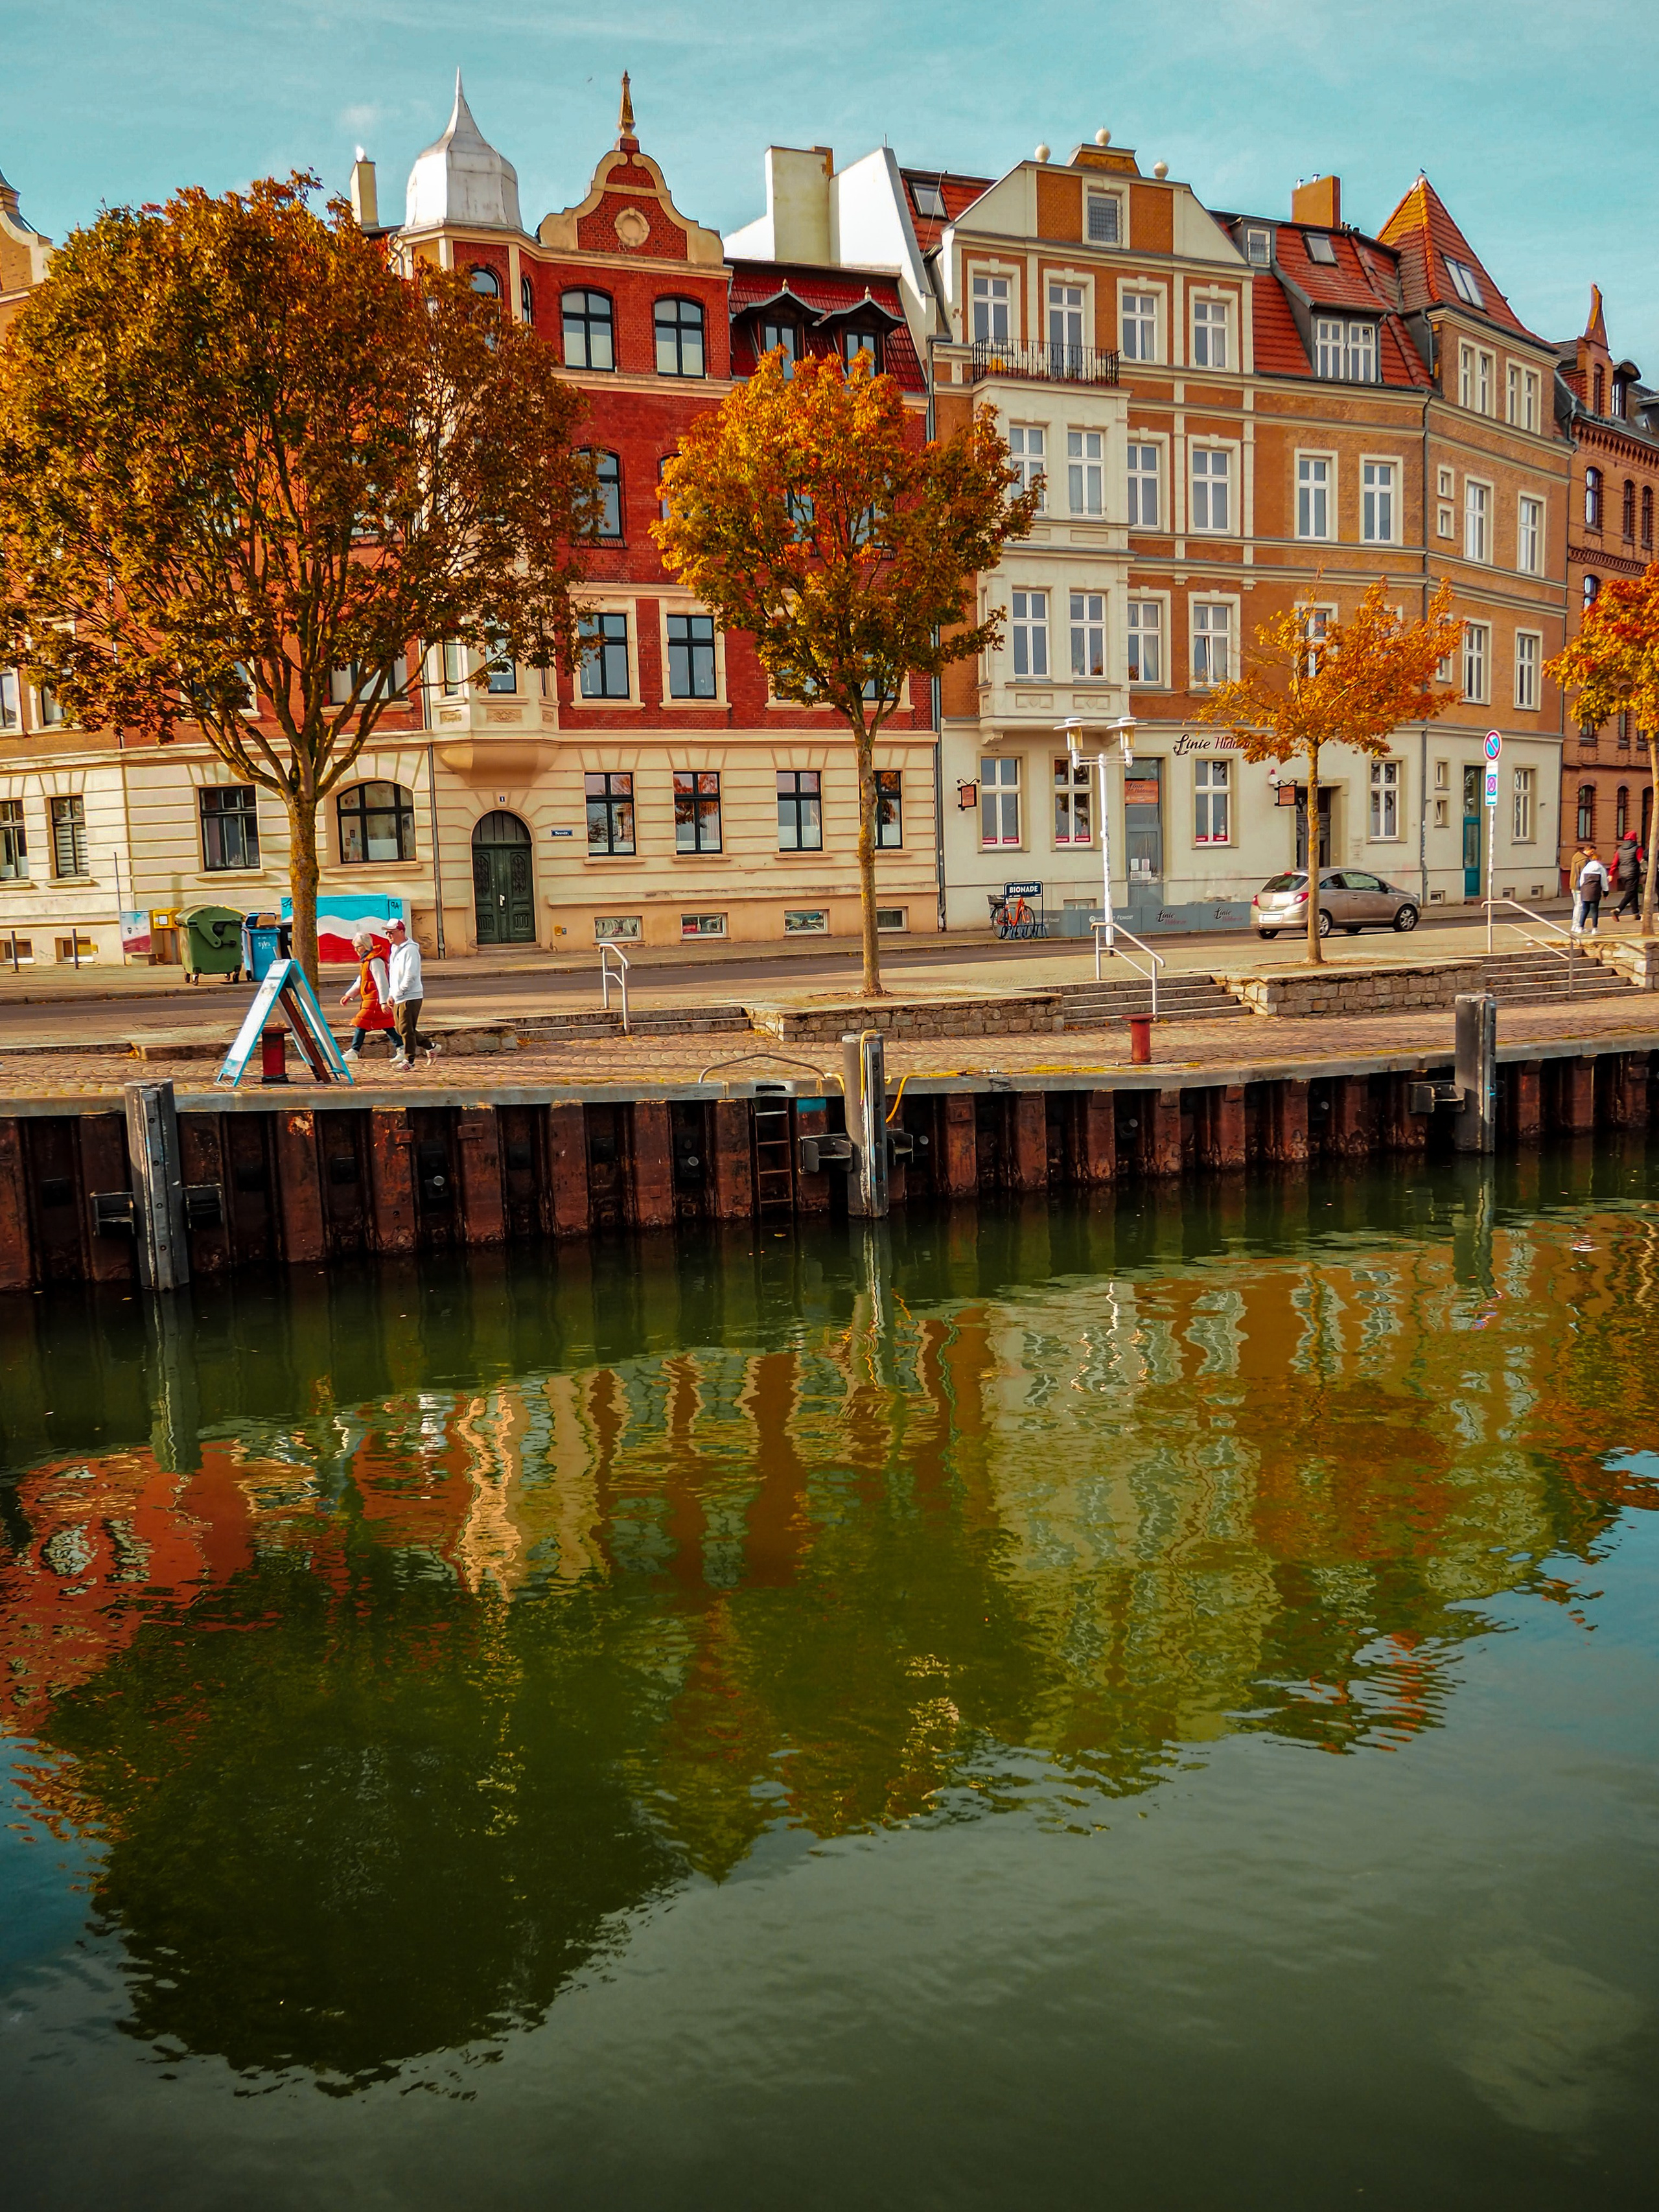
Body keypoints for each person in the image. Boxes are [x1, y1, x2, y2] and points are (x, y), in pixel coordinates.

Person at [386, 917, 438, 1070]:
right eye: (387, 933)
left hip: (410, 996)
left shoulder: (411, 949)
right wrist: (391, 993)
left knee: (406, 1030)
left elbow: (411, 974)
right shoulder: (395, 949)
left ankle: (410, 1061)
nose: (389, 936)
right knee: (401, 1028)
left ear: (401, 932)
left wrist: (400, 991)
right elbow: (394, 975)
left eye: (391, 933)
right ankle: (430, 1046)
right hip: (398, 995)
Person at [338, 931, 395, 1061]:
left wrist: (383, 1002)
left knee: (361, 1022)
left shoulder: (375, 961)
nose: (356, 950)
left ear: (365, 946)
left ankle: (354, 1051)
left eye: (358, 947)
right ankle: (401, 1047)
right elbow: (361, 980)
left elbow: (382, 981)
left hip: (374, 999)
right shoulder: (366, 960)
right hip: (369, 997)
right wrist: (349, 995)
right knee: (386, 1025)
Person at [1576, 847, 1610, 936]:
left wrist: (1581, 889)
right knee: (1594, 910)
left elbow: (1581, 880)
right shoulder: (1601, 868)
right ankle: (1595, 929)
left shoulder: (1586, 868)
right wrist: (1606, 893)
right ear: (1599, 859)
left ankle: (1580, 928)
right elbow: (1604, 882)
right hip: (1595, 891)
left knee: (1585, 910)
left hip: (1585, 890)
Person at [1612, 833, 1643, 922]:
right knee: (1630, 893)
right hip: (1633, 873)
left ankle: (1636, 913)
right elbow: (1641, 860)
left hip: (1623, 874)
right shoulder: (1638, 849)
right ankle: (1618, 910)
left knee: (1632, 892)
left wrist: (1611, 874)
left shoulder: (1620, 850)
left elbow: (1615, 862)